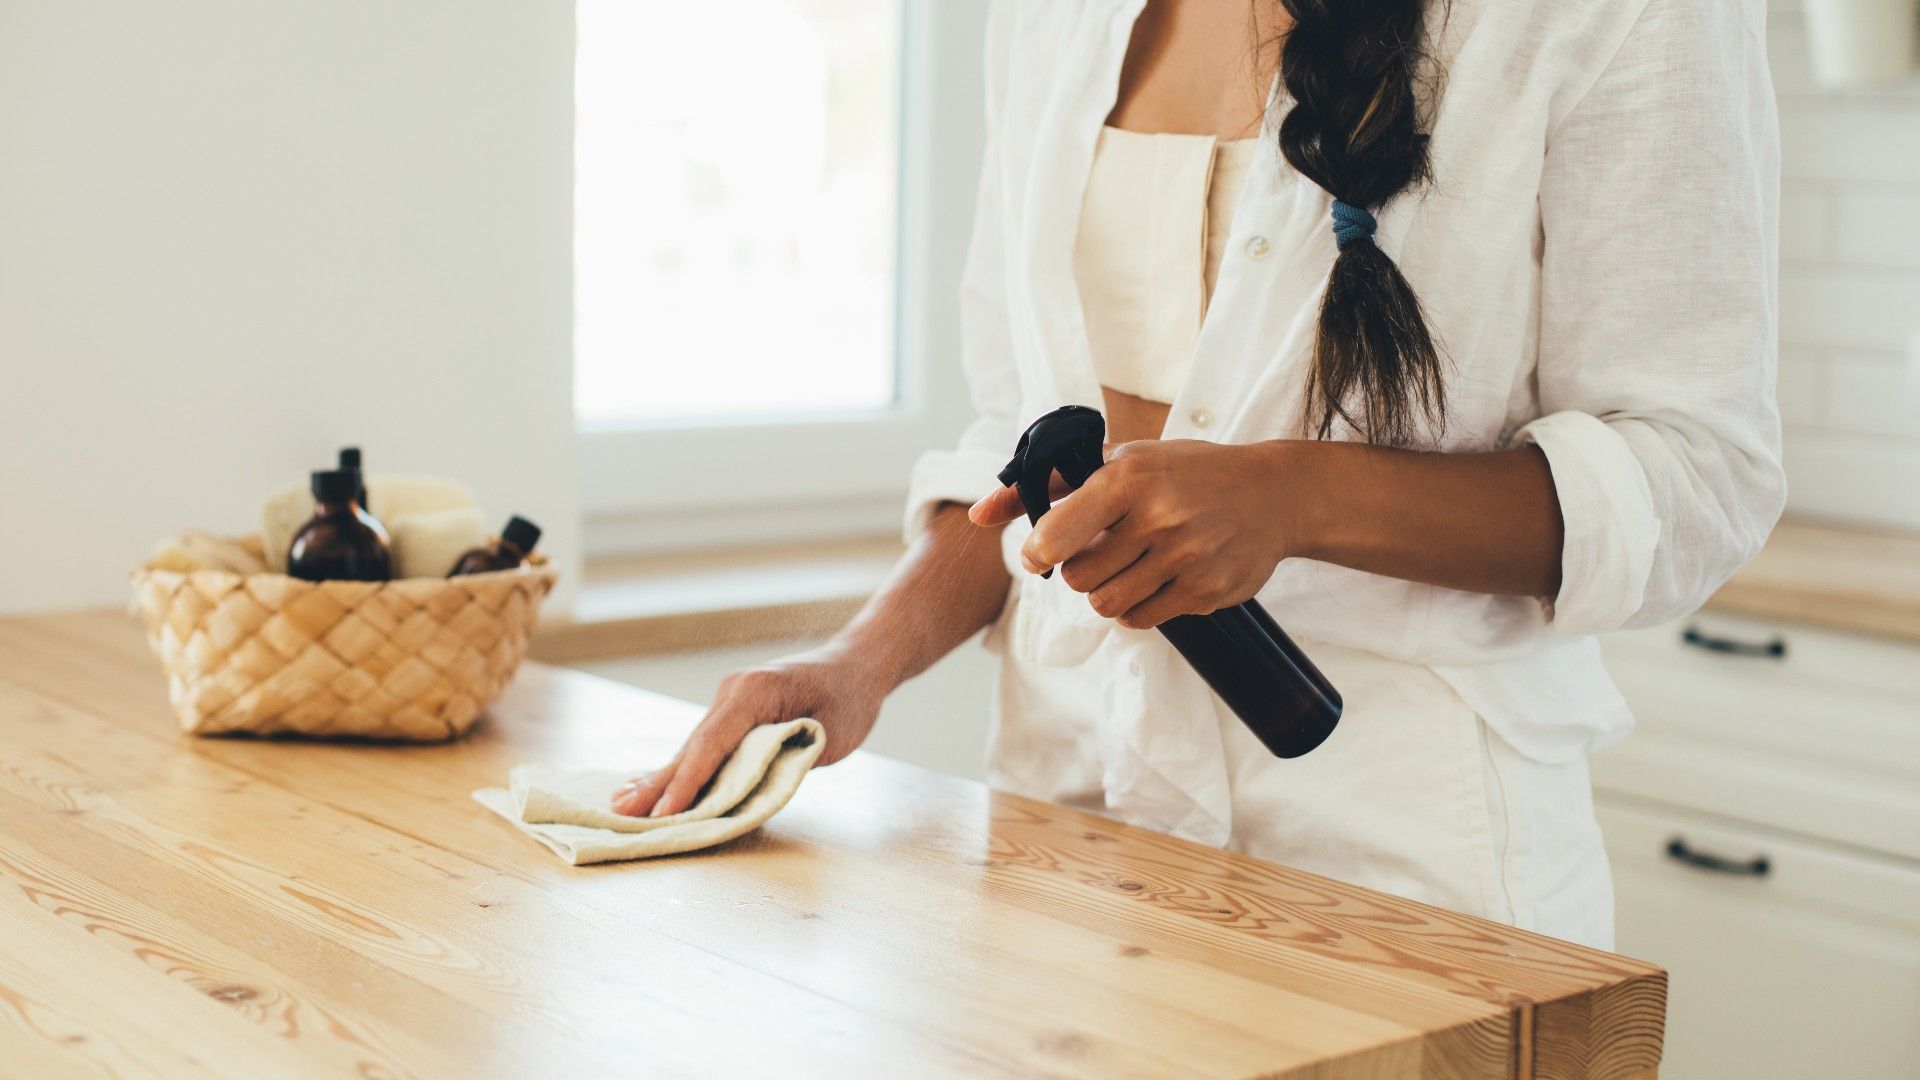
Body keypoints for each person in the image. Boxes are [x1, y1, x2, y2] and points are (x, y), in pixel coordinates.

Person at [614, 0, 1784, 949]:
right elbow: (1017, 440)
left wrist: (1293, 496)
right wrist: (853, 665)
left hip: (1409, 875)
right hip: (1067, 850)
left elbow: (1698, 471)